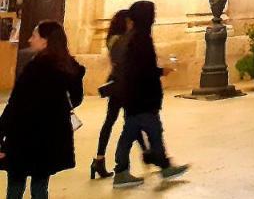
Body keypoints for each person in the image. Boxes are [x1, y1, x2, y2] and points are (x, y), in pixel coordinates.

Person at [0, 21, 85, 199]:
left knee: (15, 185)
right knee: (40, 185)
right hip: (50, 139)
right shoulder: (69, 67)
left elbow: (15, 106)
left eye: (34, 36)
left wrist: (0, 135)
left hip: (24, 137)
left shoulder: (34, 69)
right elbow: (76, 99)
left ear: (45, 41)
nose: (30, 40)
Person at [111, 1, 188, 187]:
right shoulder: (141, 40)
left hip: (133, 97)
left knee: (132, 133)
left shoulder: (132, 38)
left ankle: (130, 168)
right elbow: (143, 70)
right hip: (142, 97)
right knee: (150, 131)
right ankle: (159, 166)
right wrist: (161, 71)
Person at [91, 11, 145, 180]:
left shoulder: (115, 39)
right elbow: (122, 61)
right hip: (122, 85)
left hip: (119, 84)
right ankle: (148, 154)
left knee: (119, 120)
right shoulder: (118, 40)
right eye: (130, 21)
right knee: (130, 120)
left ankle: (99, 160)